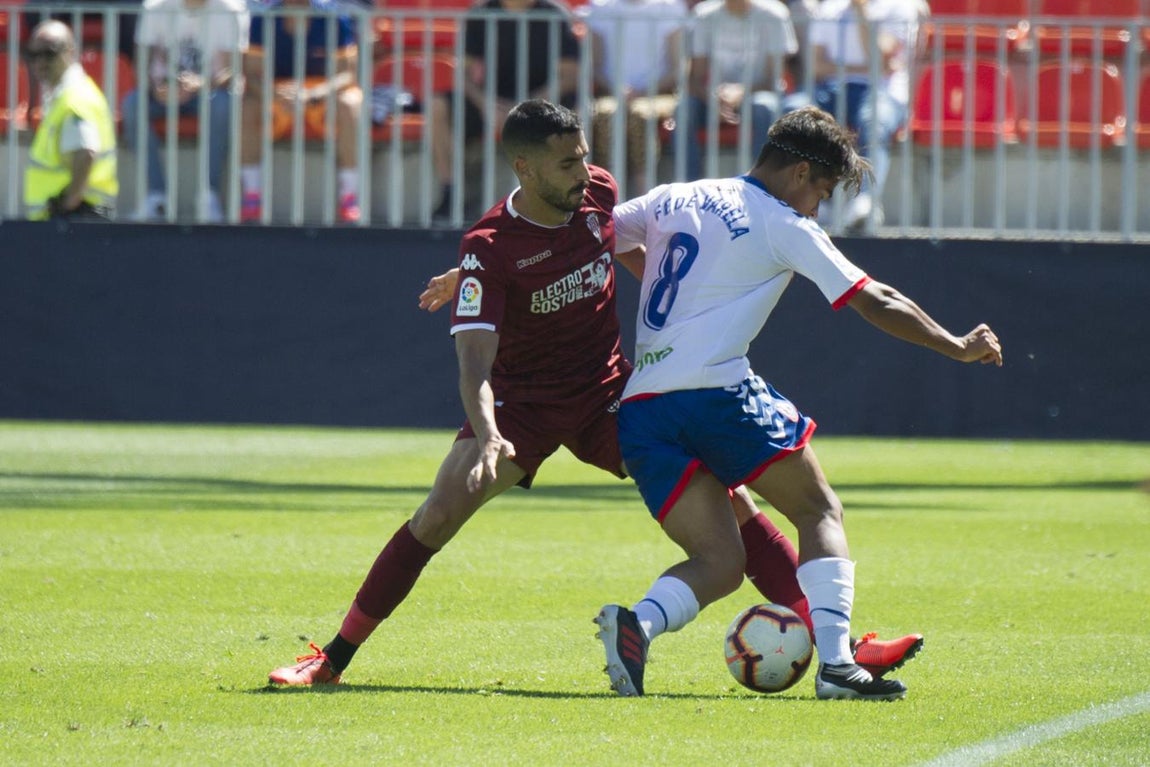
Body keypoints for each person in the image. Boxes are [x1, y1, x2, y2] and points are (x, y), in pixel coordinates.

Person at [268, 99, 922, 689]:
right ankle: (334, 655)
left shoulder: (598, 195)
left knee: (734, 504)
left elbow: (635, 246)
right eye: (566, 162)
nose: (584, 172)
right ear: (524, 169)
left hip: (609, 394)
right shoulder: (490, 249)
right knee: (439, 512)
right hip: (521, 407)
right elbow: (474, 364)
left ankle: (843, 645)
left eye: (584, 155)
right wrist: (489, 431)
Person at [595, 105, 1002, 700]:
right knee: (818, 511)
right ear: (801, 173)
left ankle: (639, 623)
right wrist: (954, 346)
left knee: (719, 562)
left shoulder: (674, 196)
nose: (820, 207)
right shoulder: (782, 220)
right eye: (825, 191)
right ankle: (838, 665)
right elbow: (875, 298)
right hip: (716, 393)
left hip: (644, 407)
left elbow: (594, 237)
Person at [429, 0, 580, 222]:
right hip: (491, 104)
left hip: (542, 103)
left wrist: (527, 106)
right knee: (437, 107)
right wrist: (485, 104)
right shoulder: (480, 13)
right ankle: (450, 194)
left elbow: (569, 75)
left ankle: (565, 198)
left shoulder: (555, 14)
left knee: (576, 109)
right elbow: (463, 74)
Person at [121, 0, 250, 222]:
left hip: (210, 90)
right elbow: (141, 61)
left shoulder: (232, 9)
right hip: (162, 92)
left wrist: (200, 84)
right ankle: (157, 197)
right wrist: (156, 88)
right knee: (133, 104)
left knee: (222, 104)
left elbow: (235, 69)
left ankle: (209, 196)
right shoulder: (154, 7)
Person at [805, 0, 928, 231]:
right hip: (831, 88)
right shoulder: (828, 7)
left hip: (881, 91)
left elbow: (878, 59)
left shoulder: (900, 7)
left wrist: (861, 11)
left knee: (875, 121)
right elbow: (815, 66)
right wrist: (859, 69)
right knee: (797, 113)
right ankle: (814, 199)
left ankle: (866, 201)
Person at [239, 0, 363, 224]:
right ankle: (252, 195)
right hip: (277, 94)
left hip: (322, 95)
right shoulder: (263, 19)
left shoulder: (336, 17)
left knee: (350, 104)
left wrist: (314, 93)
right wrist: (275, 94)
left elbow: (347, 75)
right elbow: (253, 74)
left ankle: (349, 196)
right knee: (247, 106)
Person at [679, 0, 798, 181]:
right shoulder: (703, 14)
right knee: (683, 109)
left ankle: (759, 186)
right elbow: (694, 78)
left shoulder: (775, 14)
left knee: (764, 106)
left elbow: (774, 79)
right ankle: (686, 187)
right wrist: (713, 99)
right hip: (714, 97)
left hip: (758, 94)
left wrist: (742, 92)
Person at [578, 0, 689, 191]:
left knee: (638, 115)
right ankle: (605, 194)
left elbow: (678, 68)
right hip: (612, 97)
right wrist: (618, 90)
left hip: (658, 96)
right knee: (607, 116)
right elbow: (594, 66)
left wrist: (643, 92)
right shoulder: (600, 8)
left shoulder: (670, 8)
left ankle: (643, 196)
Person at [23, 20, 118, 221]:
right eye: (34, 55)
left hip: (76, 220)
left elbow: (85, 153)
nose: (40, 62)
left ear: (70, 52)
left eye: (49, 53)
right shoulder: (65, 96)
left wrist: (68, 204)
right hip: (71, 220)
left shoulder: (76, 99)